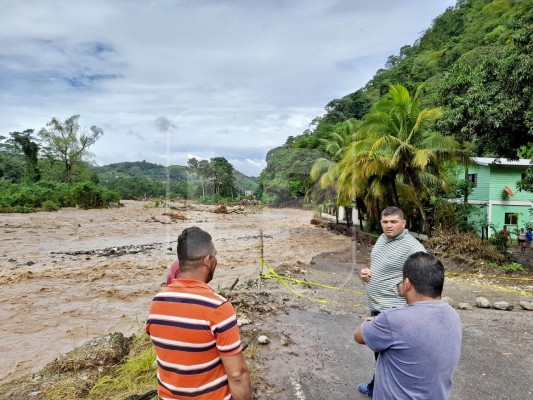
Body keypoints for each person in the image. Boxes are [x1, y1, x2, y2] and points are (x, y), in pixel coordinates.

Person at [146, 227, 251, 400]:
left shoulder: (157, 302)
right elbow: (237, 375)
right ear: (208, 261)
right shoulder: (219, 308)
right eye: (215, 255)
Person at [354, 252, 462, 400]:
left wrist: (377, 320)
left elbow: (359, 336)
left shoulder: (393, 320)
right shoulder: (453, 315)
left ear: (407, 284)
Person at [358, 206, 426, 397]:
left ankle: (384, 392)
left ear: (404, 223)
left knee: (389, 357)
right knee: (381, 356)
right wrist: (368, 273)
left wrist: (402, 287)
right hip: (377, 306)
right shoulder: (382, 239)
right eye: (385, 222)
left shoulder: (412, 246)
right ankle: (375, 387)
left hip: (394, 310)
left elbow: (425, 272)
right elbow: (382, 265)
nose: (389, 226)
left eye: (394, 222)